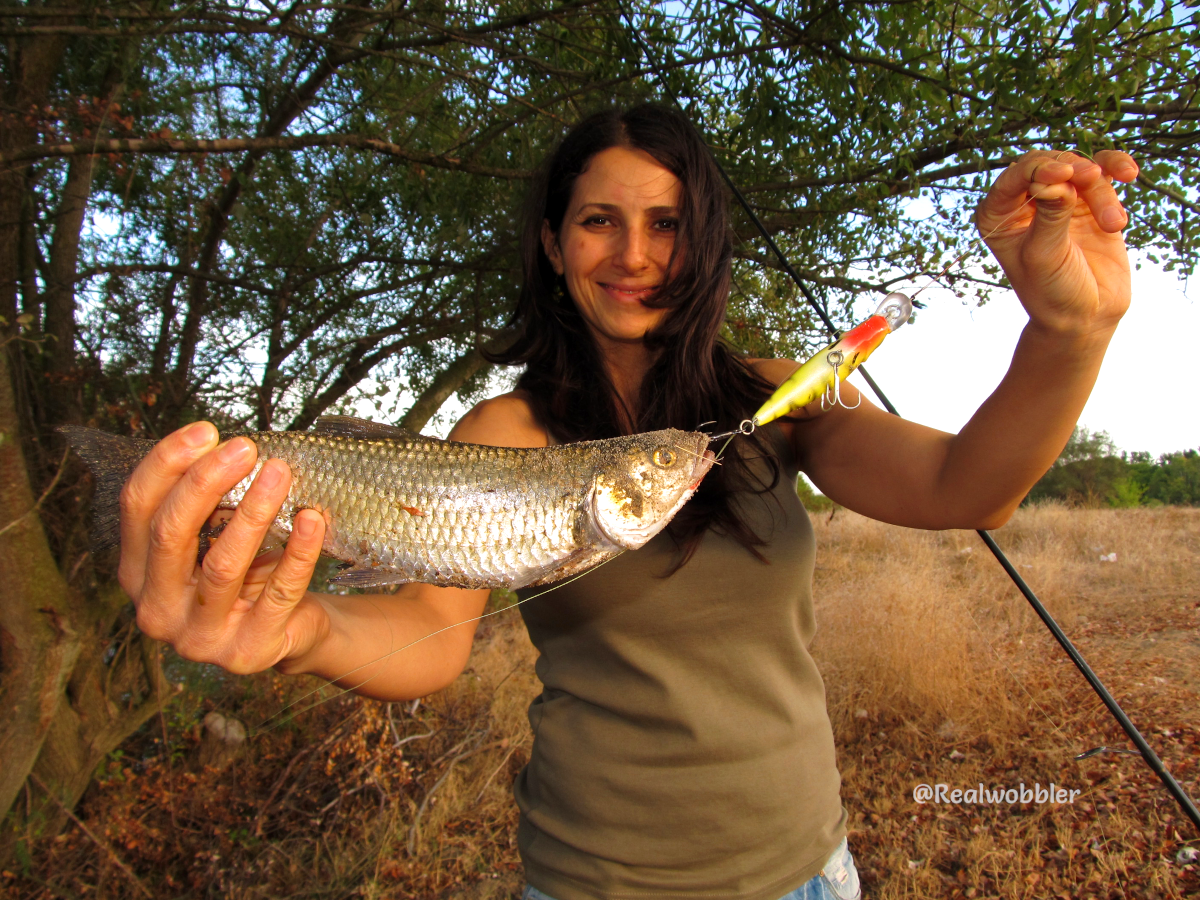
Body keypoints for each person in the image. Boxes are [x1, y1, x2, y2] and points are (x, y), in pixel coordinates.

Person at [118, 105, 1138, 900]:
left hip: (807, 871)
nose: (635, 255)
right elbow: (427, 634)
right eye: (599, 221)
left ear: (703, 243)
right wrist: (299, 632)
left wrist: (1070, 331)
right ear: (554, 243)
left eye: (667, 224)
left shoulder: (777, 398)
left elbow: (972, 488)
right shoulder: (506, 427)